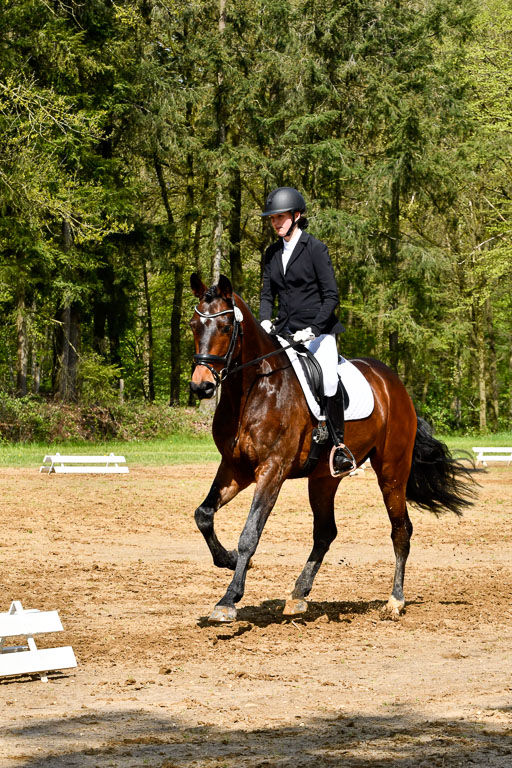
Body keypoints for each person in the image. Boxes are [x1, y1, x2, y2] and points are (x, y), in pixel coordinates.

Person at [259, 186, 355, 474]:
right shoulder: (272, 253)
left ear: (296, 216)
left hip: (319, 332)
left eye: (281, 217)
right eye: (272, 218)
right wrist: (265, 320)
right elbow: (267, 295)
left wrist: (314, 329)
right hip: (284, 331)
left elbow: (331, 296)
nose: (276, 222)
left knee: (327, 378)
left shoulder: (315, 249)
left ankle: (339, 447)